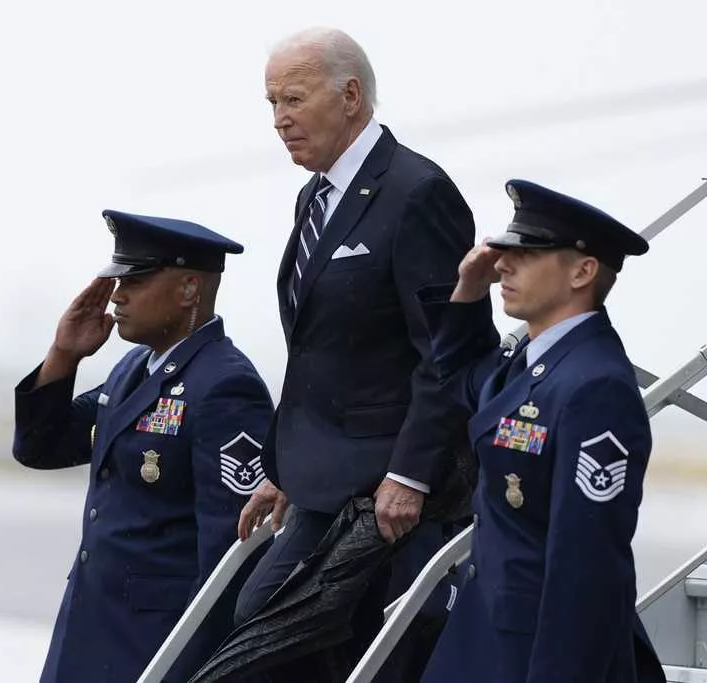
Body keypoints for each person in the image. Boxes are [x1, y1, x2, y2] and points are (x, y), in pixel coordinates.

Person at [233, 26, 482, 677]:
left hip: (392, 494)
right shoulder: (315, 198)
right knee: (265, 627)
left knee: (353, 646)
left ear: (349, 95)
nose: (281, 119)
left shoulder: (416, 192)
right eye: (272, 104)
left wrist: (412, 473)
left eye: (293, 99)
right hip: (324, 481)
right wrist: (284, 466)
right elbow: (324, 353)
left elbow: (449, 351)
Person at [418, 179, 665, 682]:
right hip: (487, 632)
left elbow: (587, 565)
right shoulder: (534, 363)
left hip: (536, 650)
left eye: (526, 254)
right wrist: (466, 292)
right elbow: (462, 382)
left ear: (582, 270)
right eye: (504, 251)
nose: (502, 264)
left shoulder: (595, 385)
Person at [12, 210, 274, 683]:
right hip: (90, 631)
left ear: (189, 289)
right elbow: (40, 447)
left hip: (156, 647)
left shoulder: (224, 385)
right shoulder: (133, 369)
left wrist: (199, 667)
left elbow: (232, 555)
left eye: (135, 280)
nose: (117, 295)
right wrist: (64, 354)